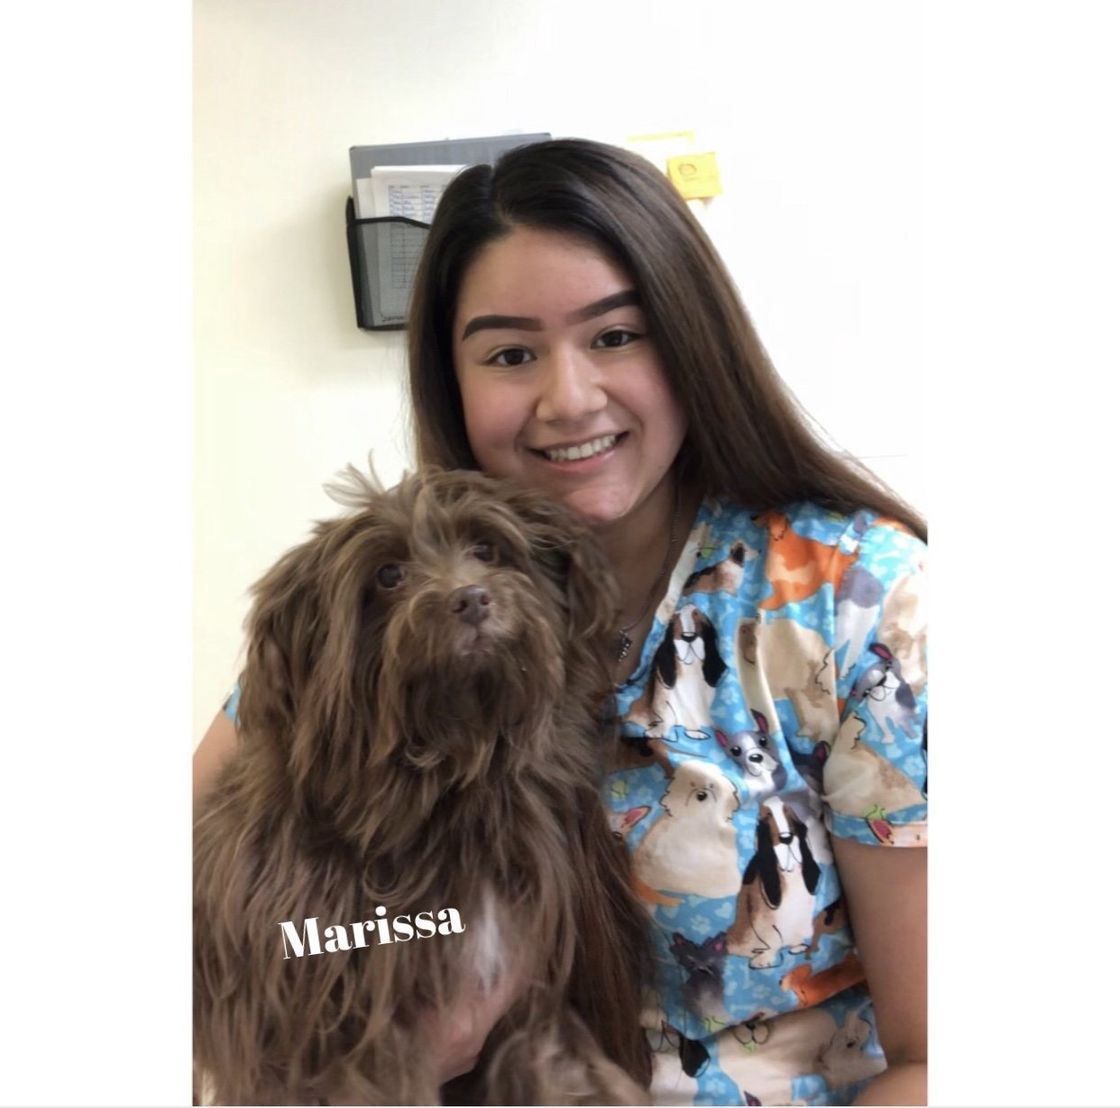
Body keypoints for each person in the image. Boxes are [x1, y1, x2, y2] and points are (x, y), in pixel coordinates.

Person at [195, 138, 927, 1106]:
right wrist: (380, 986)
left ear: (689, 338)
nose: (568, 396)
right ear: (451, 378)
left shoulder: (849, 599)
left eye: (614, 336)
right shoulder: (358, 626)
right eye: (509, 353)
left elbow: (940, 1052)